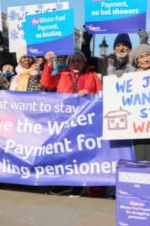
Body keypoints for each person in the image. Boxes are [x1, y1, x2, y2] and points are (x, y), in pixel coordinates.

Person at [41, 50, 103, 197]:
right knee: (63, 152)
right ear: (69, 63)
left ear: (84, 62)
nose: (76, 63)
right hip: (65, 120)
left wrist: (89, 93)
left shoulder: (92, 75)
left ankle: (77, 185)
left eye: (79, 60)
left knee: (80, 153)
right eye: (73, 61)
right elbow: (46, 83)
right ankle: (61, 184)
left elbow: (101, 94)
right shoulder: (62, 74)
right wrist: (49, 64)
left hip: (85, 121)